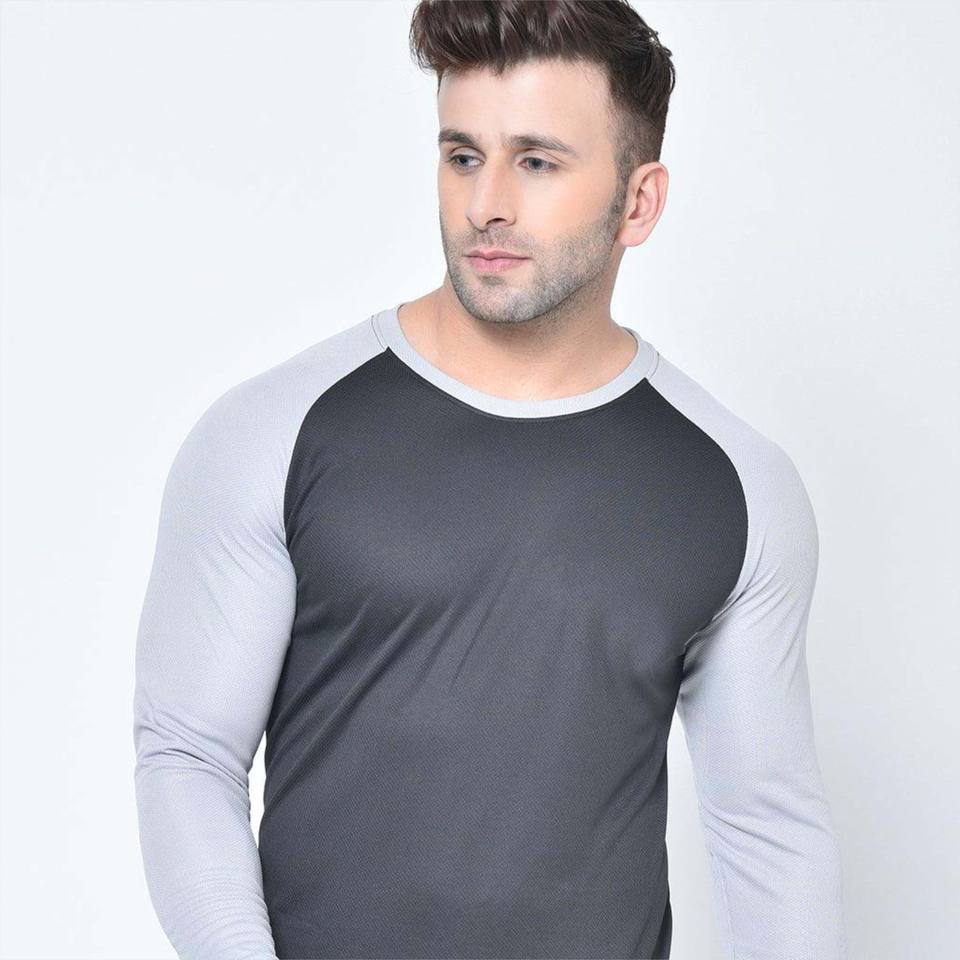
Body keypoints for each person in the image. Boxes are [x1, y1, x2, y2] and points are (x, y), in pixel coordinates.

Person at [132, 2, 847, 958]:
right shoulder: (273, 433)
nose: (486, 205)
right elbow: (187, 756)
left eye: (537, 162)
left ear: (640, 202)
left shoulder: (739, 487)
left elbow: (767, 828)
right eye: (463, 155)